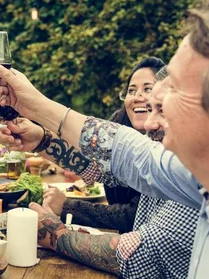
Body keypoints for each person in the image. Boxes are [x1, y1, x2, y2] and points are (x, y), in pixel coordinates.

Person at [0, 0, 209, 279]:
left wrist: (54, 231)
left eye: (172, 90)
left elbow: (139, 256)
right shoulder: (196, 178)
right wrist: (41, 130)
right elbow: (121, 158)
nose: (150, 117)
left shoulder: (196, 186)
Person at [38, 65, 199, 279]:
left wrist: (54, 233)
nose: (150, 123)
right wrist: (43, 142)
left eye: (163, 110)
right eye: (132, 90)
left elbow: (135, 255)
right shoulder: (166, 156)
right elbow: (109, 170)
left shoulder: (198, 179)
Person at [45, 58, 165, 234]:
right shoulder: (120, 122)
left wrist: (68, 207)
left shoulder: (168, 148)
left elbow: (133, 216)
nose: (137, 97)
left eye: (148, 89)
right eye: (131, 90)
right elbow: (95, 168)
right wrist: (41, 140)